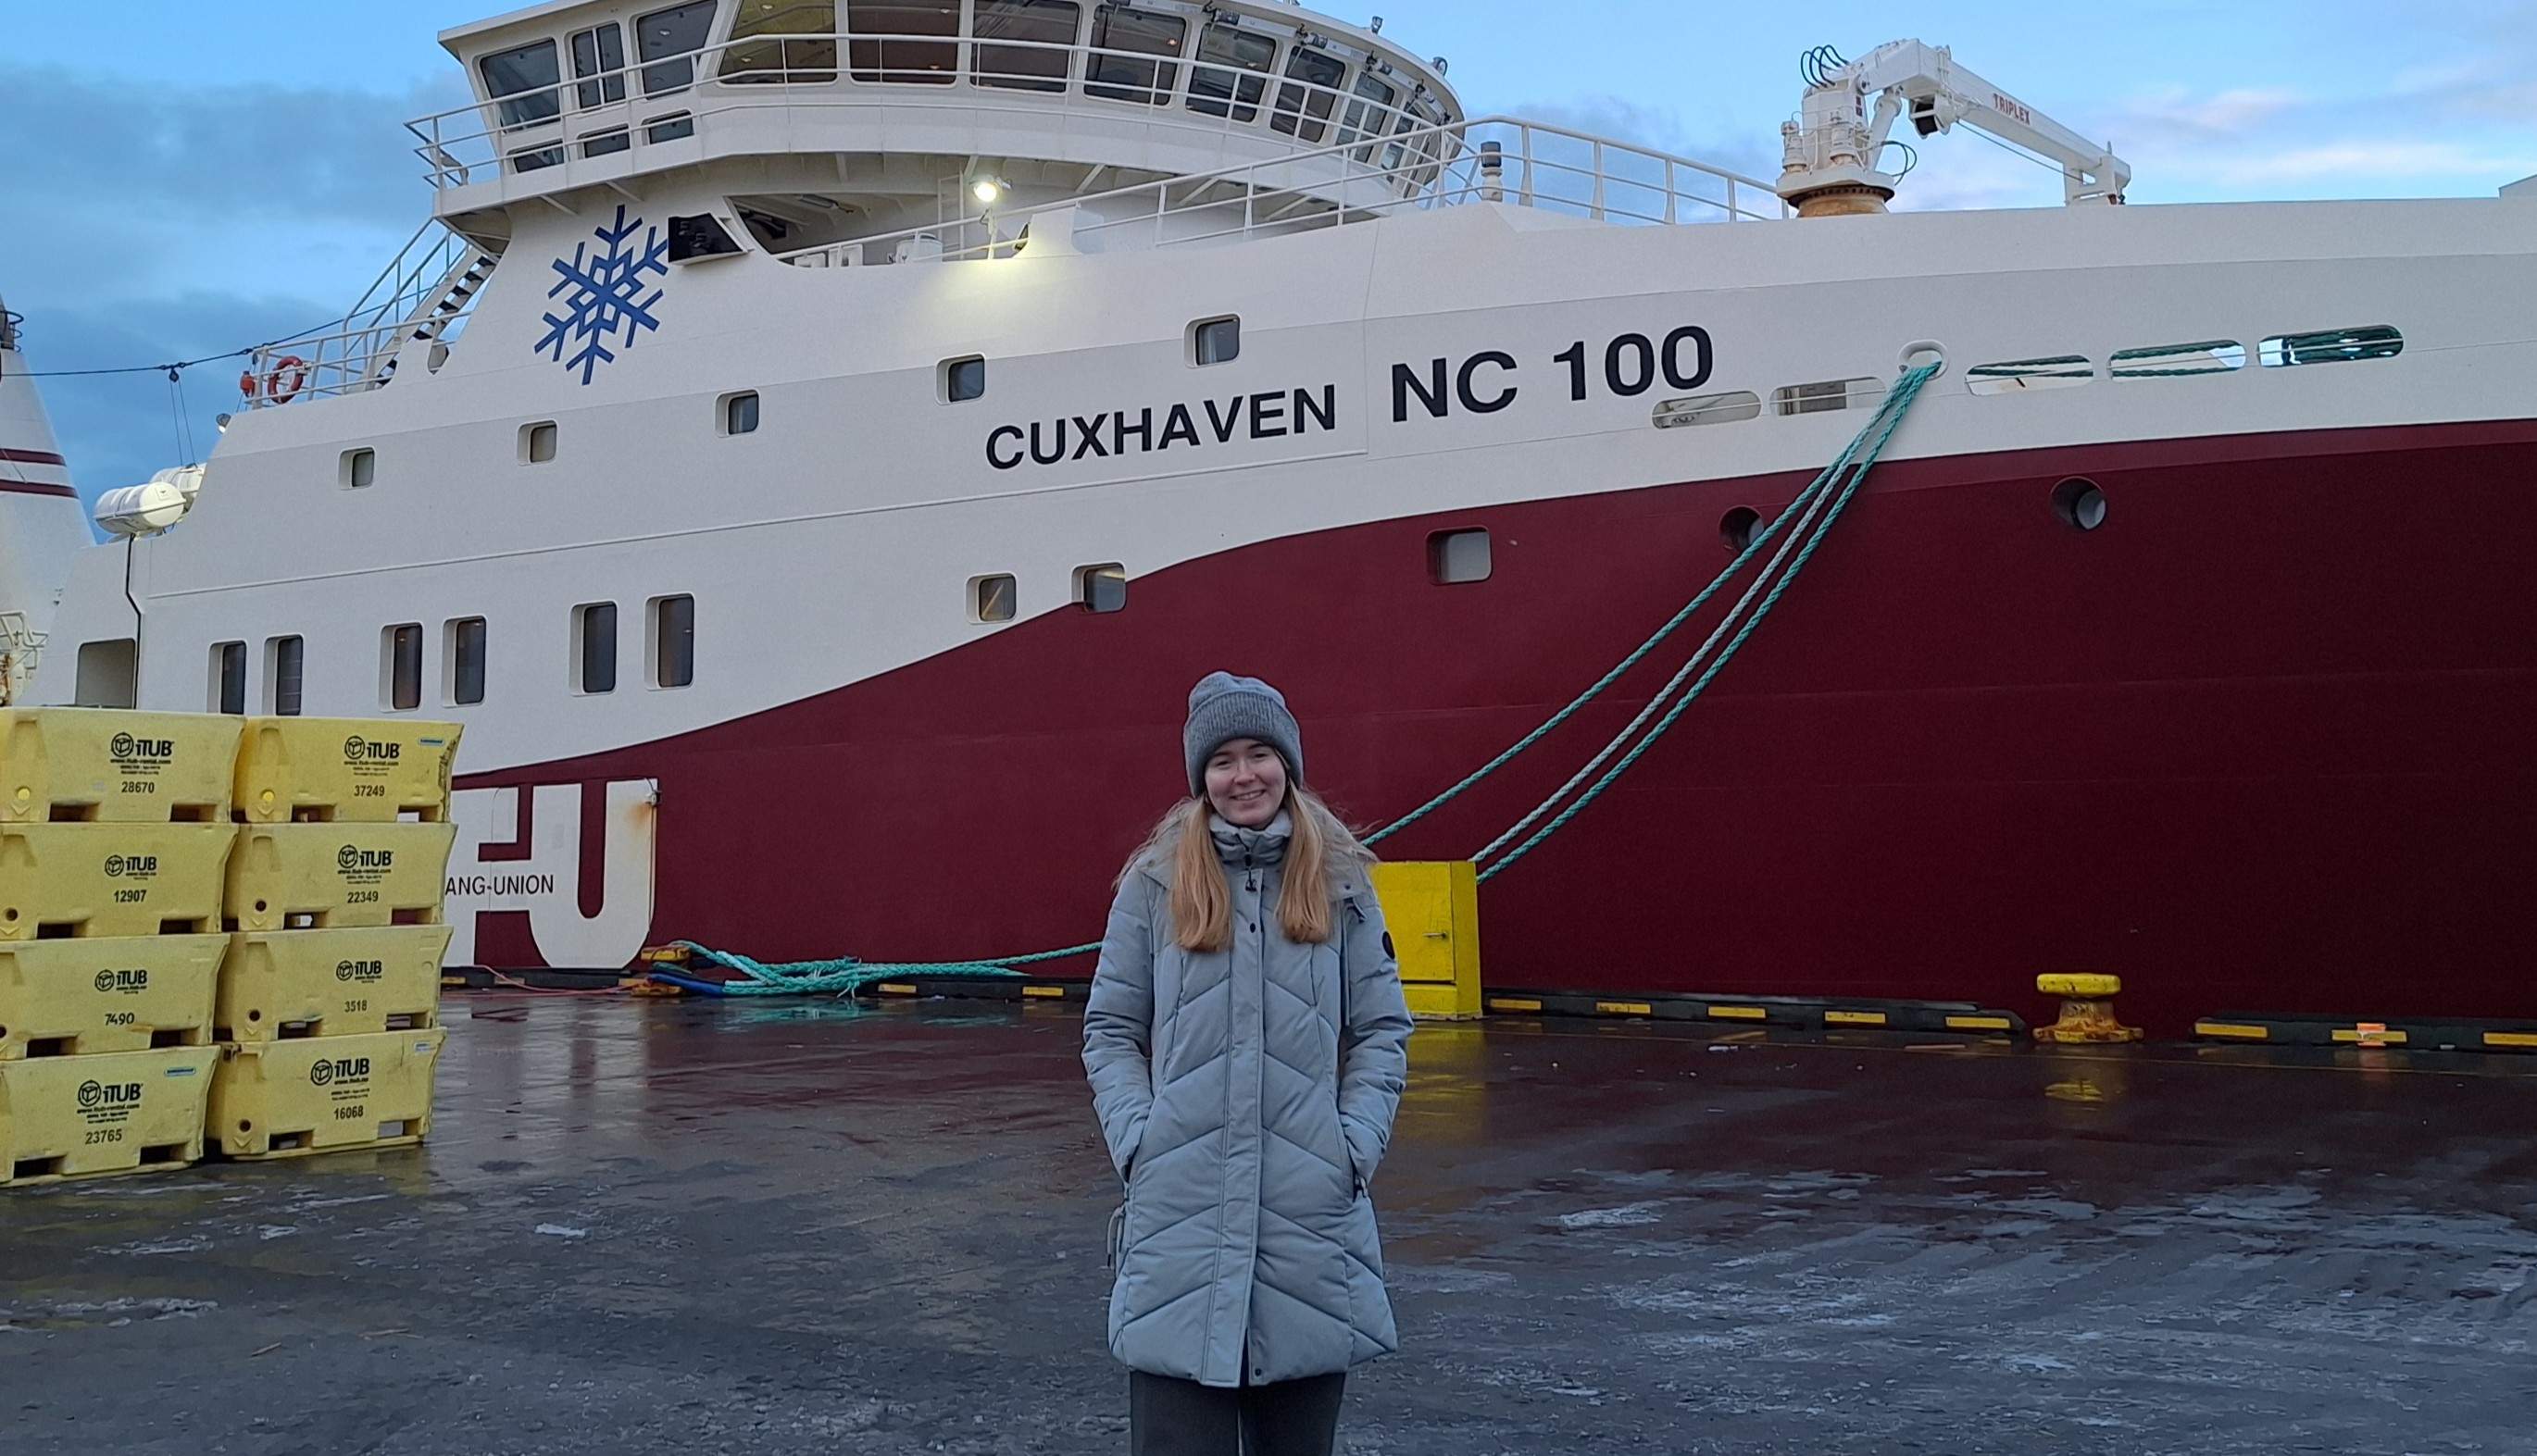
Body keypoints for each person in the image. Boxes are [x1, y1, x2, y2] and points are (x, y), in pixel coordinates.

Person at [1083, 671, 1415, 1456]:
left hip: (1307, 1225)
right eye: (1222, 759)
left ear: (1287, 763)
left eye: (1259, 754)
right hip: (1181, 1224)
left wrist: (1352, 1146)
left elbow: (1381, 1028)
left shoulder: (1340, 883)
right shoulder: (1154, 885)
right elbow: (1110, 1030)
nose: (1243, 776)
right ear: (1201, 775)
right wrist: (1140, 1141)